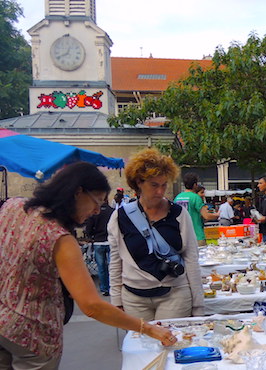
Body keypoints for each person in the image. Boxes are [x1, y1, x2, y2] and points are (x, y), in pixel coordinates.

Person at [0, 161, 177, 369]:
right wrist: (146, 328)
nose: (96, 211)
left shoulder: (13, 206)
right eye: (97, 202)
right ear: (77, 192)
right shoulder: (60, 239)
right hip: (32, 334)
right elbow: (92, 306)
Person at [109, 149, 204, 321]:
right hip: (133, 299)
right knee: (142, 346)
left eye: (164, 185)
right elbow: (116, 260)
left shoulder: (179, 214)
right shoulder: (119, 217)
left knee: (172, 345)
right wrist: (116, 299)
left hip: (175, 295)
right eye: (154, 185)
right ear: (139, 183)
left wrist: (198, 304)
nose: (160, 192)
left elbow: (191, 258)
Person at [174, 173, 218, 245]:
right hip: (196, 236)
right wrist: (217, 215)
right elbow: (206, 216)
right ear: (195, 185)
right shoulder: (195, 197)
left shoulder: (177, 197)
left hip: (182, 237)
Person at [84, 195, 114, 296]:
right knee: (112, 266)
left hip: (98, 242)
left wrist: (91, 236)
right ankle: (112, 287)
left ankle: (104, 288)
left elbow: (88, 227)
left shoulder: (95, 212)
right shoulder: (112, 211)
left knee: (101, 267)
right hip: (110, 241)